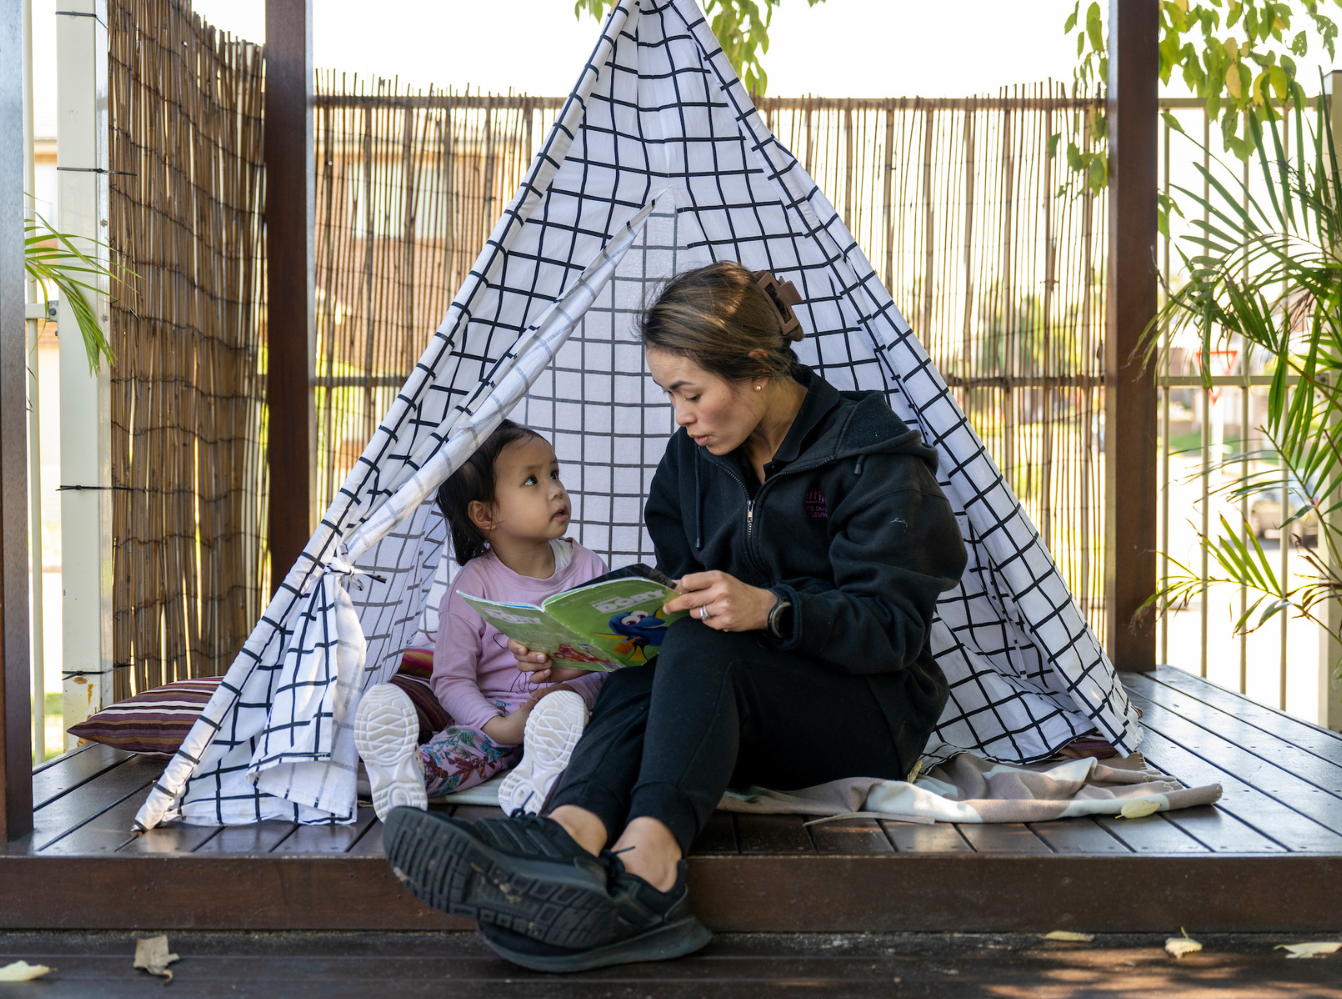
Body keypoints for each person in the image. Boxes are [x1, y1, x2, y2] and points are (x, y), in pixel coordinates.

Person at [382, 261, 968, 972]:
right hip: (735, 712)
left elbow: (894, 629)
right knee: (662, 645)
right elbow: (675, 598)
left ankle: (652, 874)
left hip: (867, 715)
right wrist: (591, 647)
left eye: (690, 393)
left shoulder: (870, 458)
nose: (680, 416)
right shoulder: (691, 460)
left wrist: (774, 608)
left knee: (697, 640)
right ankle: (567, 836)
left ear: (756, 368)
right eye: (670, 395)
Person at [354, 420, 607, 820]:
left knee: (601, 750)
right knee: (457, 752)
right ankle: (405, 772)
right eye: (532, 481)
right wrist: (498, 726)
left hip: (570, 717)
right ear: (485, 514)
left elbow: (605, 661)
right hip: (494, 718)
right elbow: (451, 680)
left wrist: (571, 690)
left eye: (554, 473)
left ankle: (537, 778)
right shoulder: (473, 586)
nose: (556, 489)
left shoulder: (588, 568)